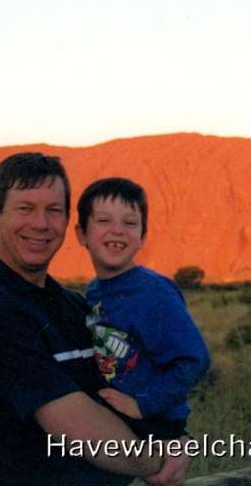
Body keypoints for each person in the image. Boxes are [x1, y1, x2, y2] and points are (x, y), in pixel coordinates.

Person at [0, 153, 190, 485]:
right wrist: (159, 458)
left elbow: (130, 381)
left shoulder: (74, 306)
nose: (41, 224)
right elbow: (82, 432)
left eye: (54, 210)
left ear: (67, 222)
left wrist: (174, 435)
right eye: (25, 208)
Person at [75, 178, 210, 441]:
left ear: (142, 237)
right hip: (116, 415)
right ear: (82, 234)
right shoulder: (94, 290)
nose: (117, 231)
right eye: (104, 221)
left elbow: (195, 359)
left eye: (129, 223)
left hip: (152, 422)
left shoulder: (153, 291)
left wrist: (144, 405)